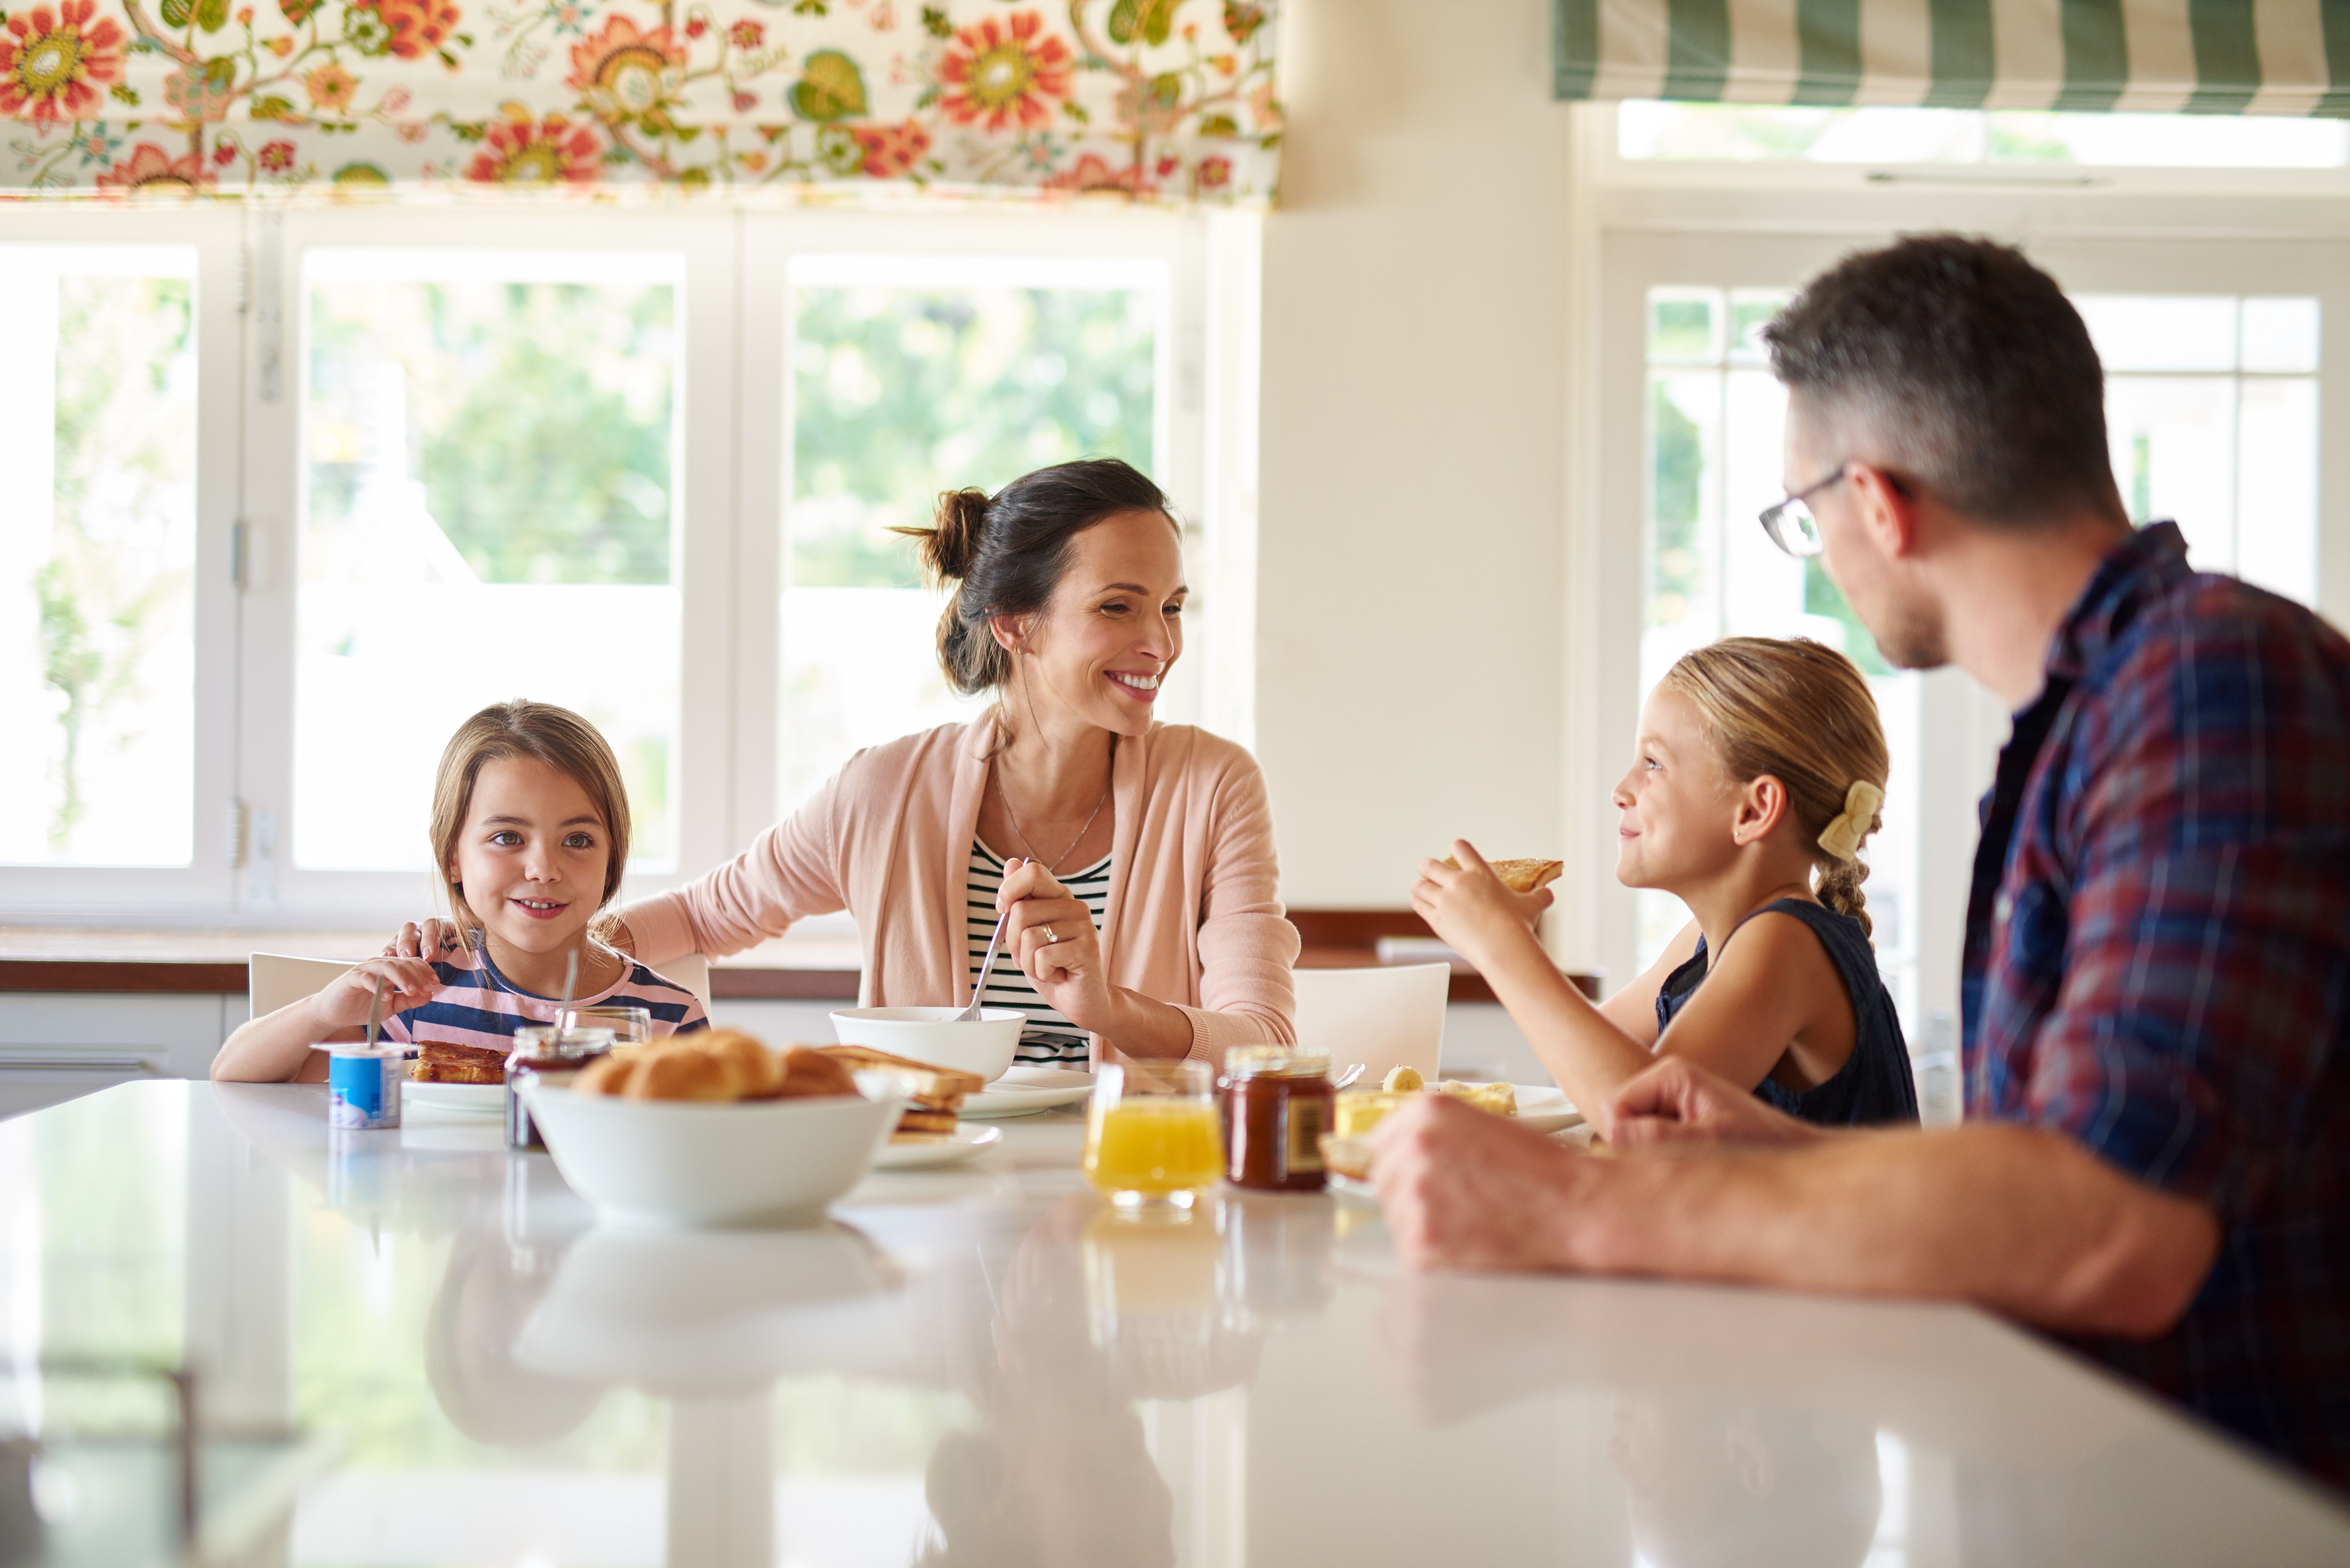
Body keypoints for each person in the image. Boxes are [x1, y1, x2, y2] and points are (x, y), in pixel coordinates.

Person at [1371, 235, 2350, 1487]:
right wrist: (1787, 1152)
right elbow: (2064, 1162)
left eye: (1802, 514)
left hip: (2219, 1507)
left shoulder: (2211, 690)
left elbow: (2113, 1228)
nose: (1821, 551)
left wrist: (1577, 1209)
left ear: (1876, 502)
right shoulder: (2101, 719)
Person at [394, 458, 1297, 1066]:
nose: (1160, 643)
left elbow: (1264, 1039)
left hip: (1137, 1197)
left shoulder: (1213, 786)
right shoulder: (889, 789)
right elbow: (712, 916)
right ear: (1016, 623)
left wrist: (1107, 1007)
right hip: (931, 1199)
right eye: (1119, 607)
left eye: (1172, 607)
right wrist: (501, 942)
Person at [1414, 637, 1915, 1127]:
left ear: (1754, 809)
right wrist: (1506, 936)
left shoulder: (1786, 943)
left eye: (1652, 764)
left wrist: (1502, 946)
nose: (1620, 791)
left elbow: (1643, 1118)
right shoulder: (1703, 943)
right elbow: (1586, 1060)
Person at [214, 701, 706, 1083]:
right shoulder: (417, 994)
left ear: (612, 856)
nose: (543, 868)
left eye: (577, 840)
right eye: (507, 838)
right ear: (452, 854)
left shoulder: (667, 1019)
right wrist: (321, 1012)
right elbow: (233, 1075)